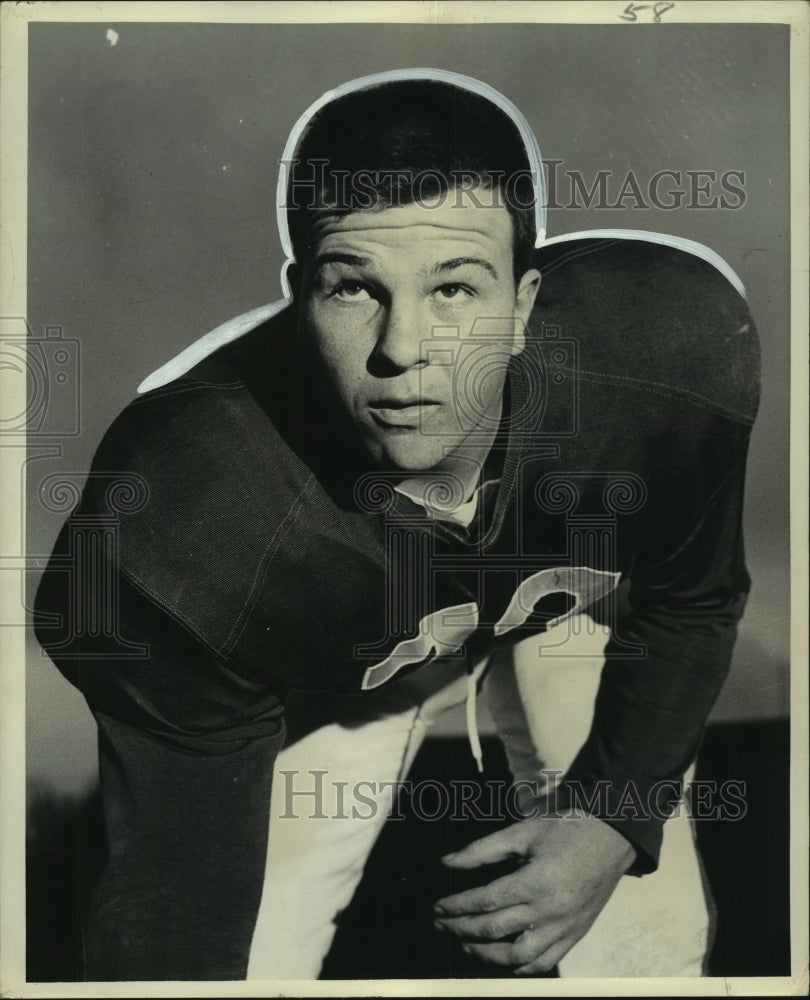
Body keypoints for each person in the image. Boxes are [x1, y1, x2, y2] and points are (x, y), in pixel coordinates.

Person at [34, 69, 760, 981]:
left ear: (526, 305)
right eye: (353, 289)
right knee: (247, 963)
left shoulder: (665, 355)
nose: (403, 350)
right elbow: (174, 914)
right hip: (330, 656)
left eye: (454, 290)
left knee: (643, 951)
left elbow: (693, 602)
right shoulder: (188, 519)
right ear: (299, 296)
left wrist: (614, 817)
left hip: (561, 597)